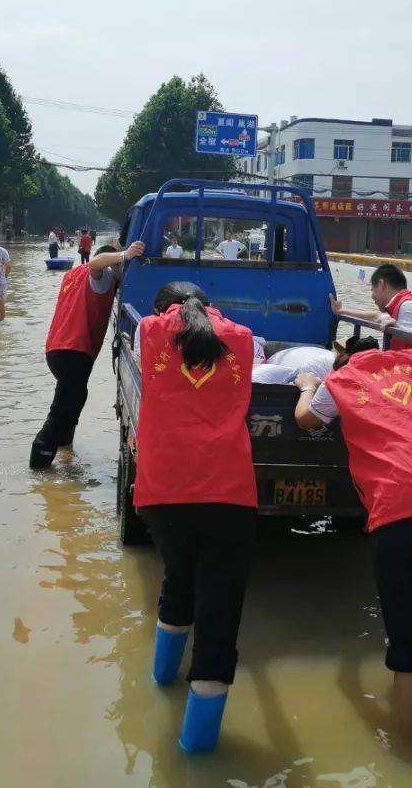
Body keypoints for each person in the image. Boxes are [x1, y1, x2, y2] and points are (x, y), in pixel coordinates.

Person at [293, 339, 412, 744]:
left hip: (402, 512)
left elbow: (307, 419)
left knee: (410, 648)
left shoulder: (341, 378)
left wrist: (309, 384)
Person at [136, 282, 257, 754]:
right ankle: (196, 751)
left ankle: (160, 680)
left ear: (163, 308)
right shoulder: (244, 339)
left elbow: (169, 333)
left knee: (179, 577)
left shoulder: (148, 330)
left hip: (161, 495)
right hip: (227, 496)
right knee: (219, 616)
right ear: (211, 305)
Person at [29, 239, 145, 469]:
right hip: (75, 350)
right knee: (61, 411)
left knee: (75, 398)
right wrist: (125, 255)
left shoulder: (73, 274)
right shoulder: (101, 276)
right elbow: (97, 263)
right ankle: (39, 471)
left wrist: (119, 250)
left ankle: (65, 449)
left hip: (56, 349)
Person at [330, 263, 412, 382]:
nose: (372, 297)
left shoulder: (408, 306)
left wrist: (398, 329)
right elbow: (376, 316)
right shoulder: (398, 306)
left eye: (372, 290)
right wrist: (341, 311)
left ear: (381, 284)